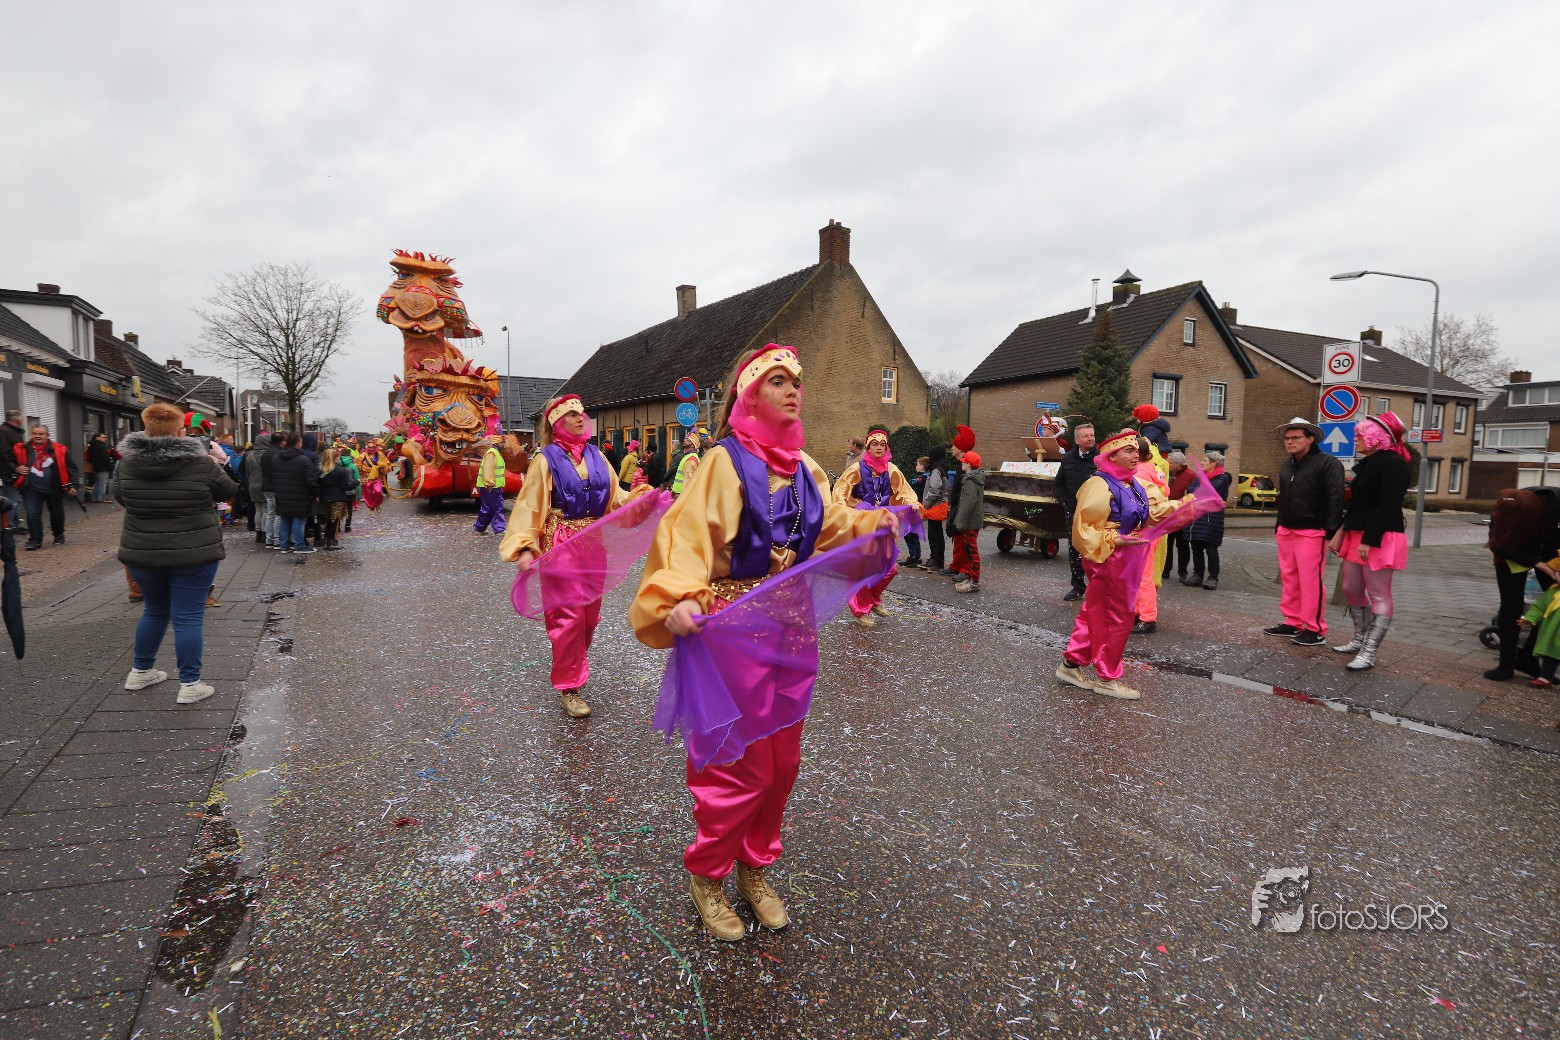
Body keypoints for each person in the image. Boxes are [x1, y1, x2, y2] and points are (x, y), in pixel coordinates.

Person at [629, 344, 897, 941]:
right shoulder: (721, 463)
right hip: (730, 632)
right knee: (733, 764)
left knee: (781, 765)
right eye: (778, 380)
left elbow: (829, 526)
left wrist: (870, 524)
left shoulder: (805, 468)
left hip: (791, 633)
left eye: (796, 381)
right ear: (749, 396)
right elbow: (685, 538)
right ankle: (708, 874)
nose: (793, 389)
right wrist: (681, 597)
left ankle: (755, 866)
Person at [499, 395, 649, 718]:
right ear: (556, 422)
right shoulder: (545, 460)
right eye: (572, 414)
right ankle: (569, 688)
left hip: (593, 545)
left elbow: (616, 498)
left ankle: (573, 666)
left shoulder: (597, 456)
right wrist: (525, 545)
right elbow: (530, 505)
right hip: (561, 544)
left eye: (582, 413)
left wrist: (640, 498)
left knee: (589, 618)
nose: (581, 418)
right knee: (568, 617)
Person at [113, 402, 238, 705]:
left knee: (154, 610)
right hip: (194, 552)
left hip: (143, 551)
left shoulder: (126, 464)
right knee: (188, 617)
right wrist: (220, 464)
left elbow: (121, 497)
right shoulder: (201, 463)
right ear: (182, 432)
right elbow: (229, 492)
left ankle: (140, 671)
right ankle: (190, 684)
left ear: (146, 430)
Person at [1055, 429, 1190, 700]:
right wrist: (1115, 539)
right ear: (1112, 456)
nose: (1135, 455)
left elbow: (1151, 513)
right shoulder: (1099, 484)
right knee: (1116, 616)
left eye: (1135, 451)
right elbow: (1084, 529)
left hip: (1128, 556)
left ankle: (1071, 665)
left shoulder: (1132, 483)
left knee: (1095, 611)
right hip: (1110, 557)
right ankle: (1106, 677)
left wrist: (1187, 504)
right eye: (1128, 451)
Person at [1327, 412, 1413, 670]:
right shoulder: (1368, 464)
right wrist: (1342, 532)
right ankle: (1359, 639)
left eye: (1361, 435)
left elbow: (1389, 505)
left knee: (1378, 593)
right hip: (1357, 534)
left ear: (1377, 438)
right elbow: (1359, 504)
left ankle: (1369, 651)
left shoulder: (1394, 464)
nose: (1355, 439)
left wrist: (1370, 539)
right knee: (1351, 587)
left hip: (1380, 536)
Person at [1265, 418, 1345, 645]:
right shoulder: (1287, 465)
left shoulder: (1328, 463)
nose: (1289, 442)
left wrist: (1332, 531)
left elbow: (1336, 498)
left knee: (1310, 581)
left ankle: (1314, 628)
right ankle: (1293, 621)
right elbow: (1285, 498)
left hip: (1313, 530)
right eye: (1287, 438)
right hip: (1287, 529)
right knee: (1290, 578)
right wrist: (1279, 525)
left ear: (1310, 439)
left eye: (1295, 438)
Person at [832, 427, 919, 624]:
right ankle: (861, 609)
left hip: (883, 522)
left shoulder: (891, 469)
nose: (879, 448)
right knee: (865, 567)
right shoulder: (856, 468)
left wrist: (911, 502)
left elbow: (903, 490)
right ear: (868, 446)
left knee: (890, 568)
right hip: (863, 522)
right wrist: (843, 512)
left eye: (882, 444)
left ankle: (873, 597)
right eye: (874, 444)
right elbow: (840, 492)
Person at [1484, 487, 1560, 682]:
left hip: (1550, 552)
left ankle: (1528, 659)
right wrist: (1536, 563)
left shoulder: (1555, 508)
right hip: (1509, 551)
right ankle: (1505, 665)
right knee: (1511, 606)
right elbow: (1497, 544)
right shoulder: (1505, 508)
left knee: (1554, 606)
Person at [11, 424, 79, 550]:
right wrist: (16, 468)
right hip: (31, 488)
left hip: (54, 488)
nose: (38, 436)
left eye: (41, 434)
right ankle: (35, 540)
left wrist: (74, 485)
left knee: (57, 513)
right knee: (32, 514)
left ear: (47, 435)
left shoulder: (59, 449)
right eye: (35, 433)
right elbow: (8, 462)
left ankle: (58, 534)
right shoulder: (22, 449)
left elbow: (72, 468)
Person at [1054, 422, 1098, 601]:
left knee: (1095, 550)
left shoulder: (1101, 458)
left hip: (1095, 513)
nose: (1090, 438)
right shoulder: (1068, 458)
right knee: (1074, 550)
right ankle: (1077, 586)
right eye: (1085, 436)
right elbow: (1059, 482)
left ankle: (1097, 587)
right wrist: (1064, 502)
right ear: (1077, 440)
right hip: (1073, 511)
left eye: (1092, 435)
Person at [1132, 436, 1171, 634]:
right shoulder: (1154, 469)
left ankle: (1147, 618)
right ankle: (1138, 612)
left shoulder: (1139, 473)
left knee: (1143, 575)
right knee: (1140, 573)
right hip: (1153, 527)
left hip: (1143, 528)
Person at [1185, 450, 1231, 589]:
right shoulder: (1201, 477)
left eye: (1204, 460)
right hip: (1198, 518)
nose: (1201, 463)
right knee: (1196, 547)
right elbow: (1190, 490)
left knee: (1211, 549)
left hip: (1212, 519)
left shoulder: (1223, 478)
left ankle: (1213, 578)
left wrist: (1200, 491)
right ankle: (1197, 575)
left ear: (1213, 463)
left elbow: (1209, 490)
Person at [268, 432, 319, 555]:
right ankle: (299, 545)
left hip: (281, 494)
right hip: (300, 495)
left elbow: (271, 477)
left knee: (284, 519)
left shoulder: (276, 459)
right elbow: (311, 480)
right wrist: (315, 492)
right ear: (298, 443)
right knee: (299, 520)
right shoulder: (304, 460)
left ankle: (284, 546)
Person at [949, 450, 986, 593]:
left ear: (969, 465)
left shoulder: (970, 481)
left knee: (971, 552)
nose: (962, 463)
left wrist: (960, 523)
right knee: (968, 550)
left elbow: (967, 505)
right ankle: (970, 577)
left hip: (970, 523)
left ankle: (974, 582)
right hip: (971, 521)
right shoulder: (972, 479)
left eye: (964, 462)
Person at [941, 425, 975, 575]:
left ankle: (963, 568)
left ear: (960, 449)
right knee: (958, 538)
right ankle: (957, 565)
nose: (952, 448)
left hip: (961, 508)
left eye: (954, 446)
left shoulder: (965, 468)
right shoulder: (961, 466)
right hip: (958, 507)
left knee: (962, 539)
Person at [1520, 572, 1560, 688]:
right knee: (1550, 656)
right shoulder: (1552, 593)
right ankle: (1545, 678)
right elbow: (1539, 607)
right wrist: (1530, 618)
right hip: (1552, 634)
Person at [1161, 451, 1195, 583]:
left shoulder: (1191, 475)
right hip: (1168, 515)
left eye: (1170, 462)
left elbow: (1194, 494)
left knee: (1182, 545)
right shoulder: (1166, 474)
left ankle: (1183, 572)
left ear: (1178, 464)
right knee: (1167, 544)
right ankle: (1165, 570)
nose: (1168, 464)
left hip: (1182, 516)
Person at [317, 448, 359, 550]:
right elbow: (346, 486)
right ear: (335, 458)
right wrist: (356, 482)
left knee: (328, 521)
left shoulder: (320, 470)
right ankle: (330, 542)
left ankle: (326, 542)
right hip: (338, 499)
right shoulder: (341, 471)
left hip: (324, 498)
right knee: (334, 521)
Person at [918, 447, 948, 571]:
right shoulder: (942, 469)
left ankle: (937, 561)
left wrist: (926, 503)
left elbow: (935, 489)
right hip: (938, 506)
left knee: (935, 535)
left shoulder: (936, 471)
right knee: (936, 534)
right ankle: (934, 559)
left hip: (935, 506)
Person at [472, 438, 508, 536]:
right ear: (497, 442)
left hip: (493, 486)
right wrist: (489, 483)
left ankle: (481, 528)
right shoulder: (492, 453)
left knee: (492, 508)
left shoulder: (494, 453)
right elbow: (488, 469)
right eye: (502, 442)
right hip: (491, 486)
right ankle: (497, 528)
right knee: (493, 508)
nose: (504, 444)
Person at [0, 409, 25, 514]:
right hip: (10, 473)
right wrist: (15, 468)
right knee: (11, 502)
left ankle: (14, 522)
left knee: (17, 500)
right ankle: (9, 523)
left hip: (16, 472)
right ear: (18, 420)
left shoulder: (12, 431)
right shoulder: (4, 432)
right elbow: (4, 455)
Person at [86, 433, 114, 503]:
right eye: (103, 437)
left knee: (97, 483)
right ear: (97, 438)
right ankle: (100, 498)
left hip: (95, 467)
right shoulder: (102, 446)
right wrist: (110, 467)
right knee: (102, 484)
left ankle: (95, 498)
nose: (105, 438)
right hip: (103, 468)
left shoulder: (91, 446)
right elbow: (106, 458)